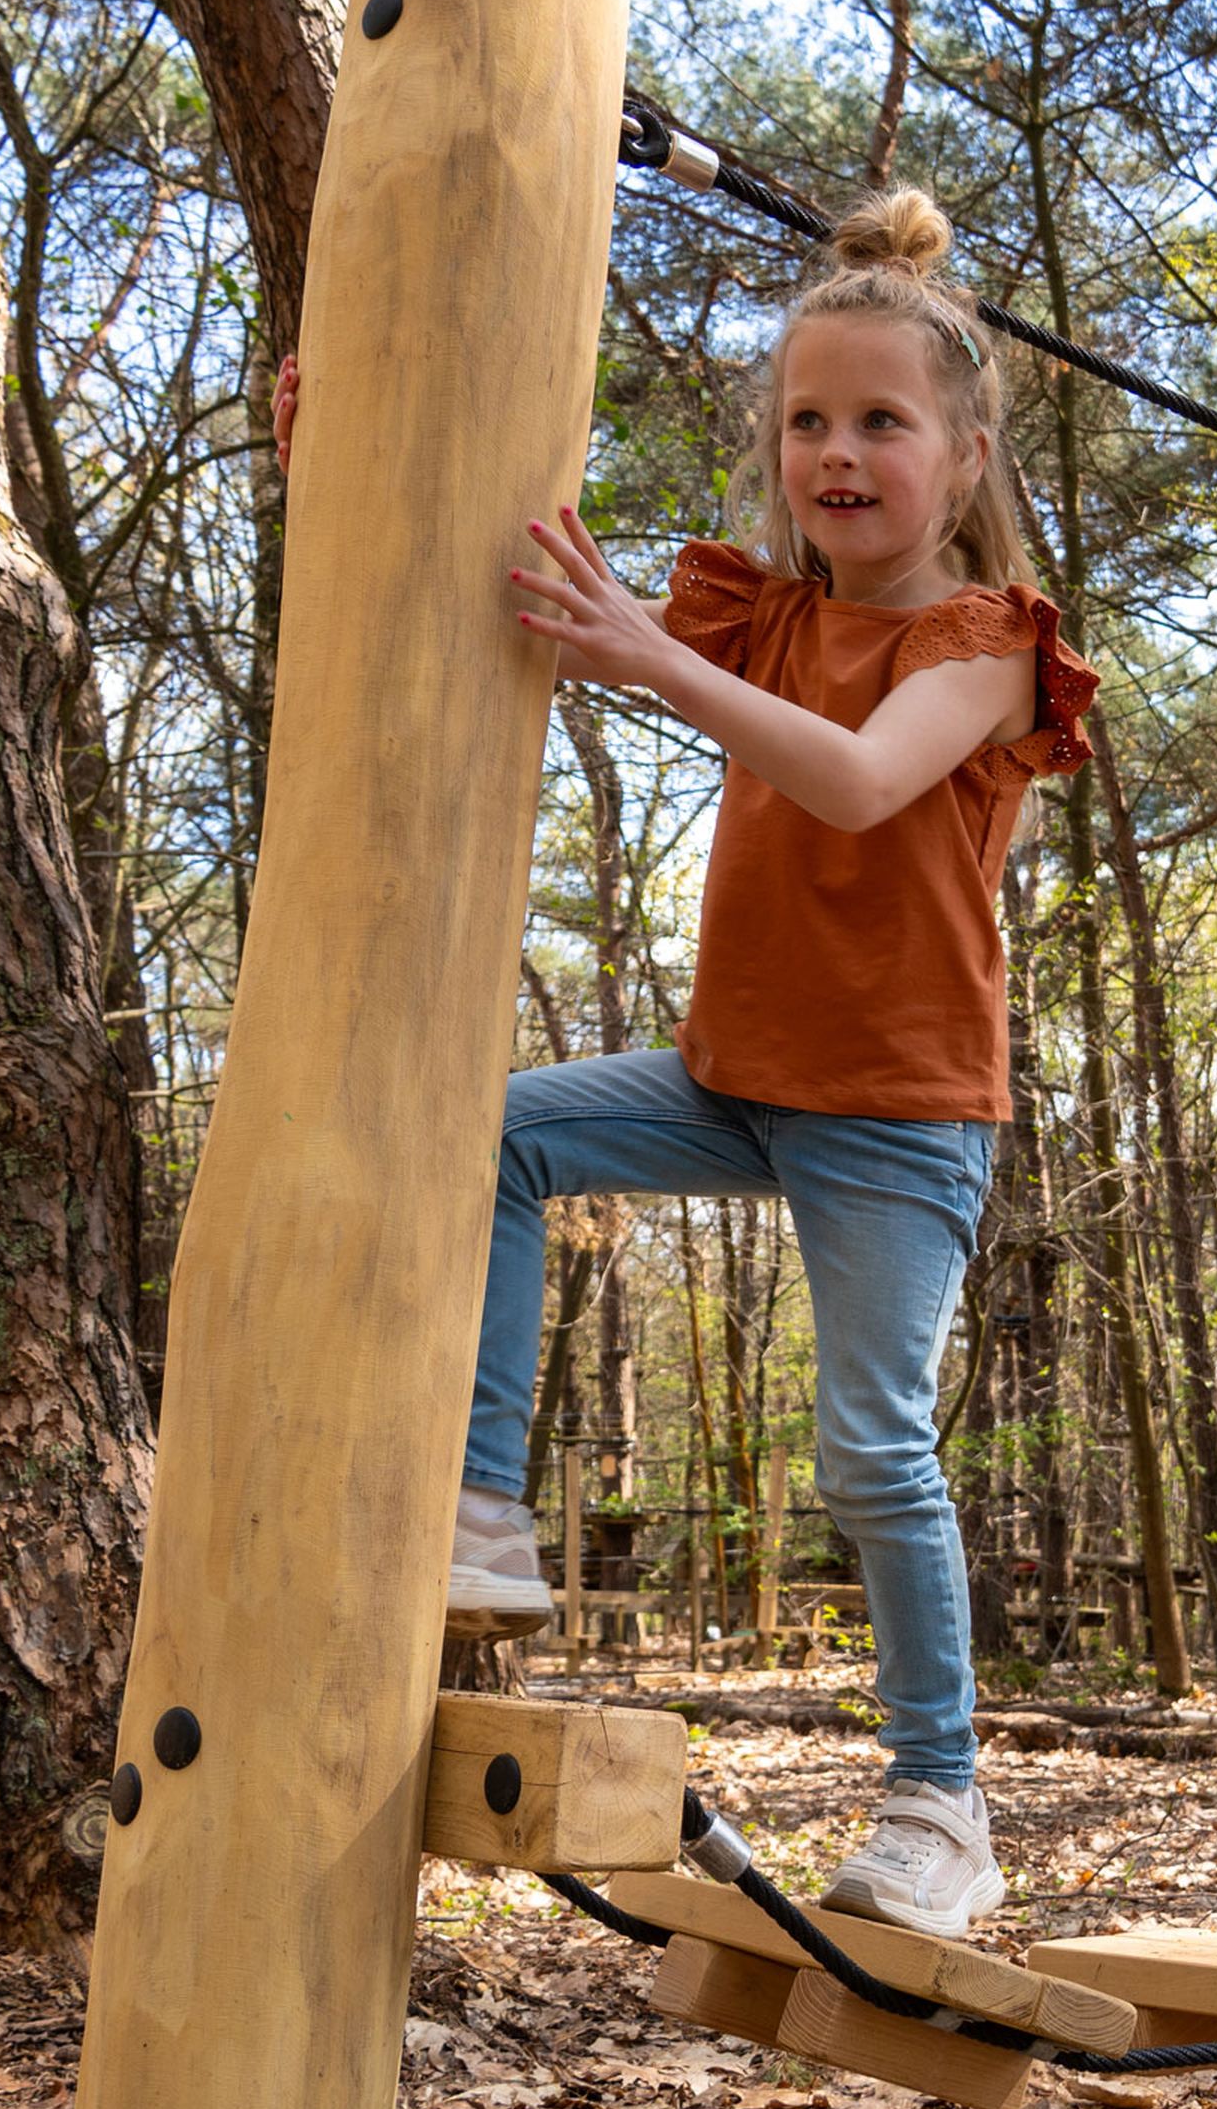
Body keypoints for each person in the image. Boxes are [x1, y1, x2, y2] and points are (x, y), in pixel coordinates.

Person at [275, 190, 1092, 1937]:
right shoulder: (761, 614)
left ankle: (940, 1800)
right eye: (808, 421)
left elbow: (865, 778)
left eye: (882, 421)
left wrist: (651, 654)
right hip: (739, 1070)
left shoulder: (992, 644)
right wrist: (345, 454)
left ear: (960, 458)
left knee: (871, 1447)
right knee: (497, 1137)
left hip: (895, 1109)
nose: (838, 453)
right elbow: (520, 600)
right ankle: (487, 1513)